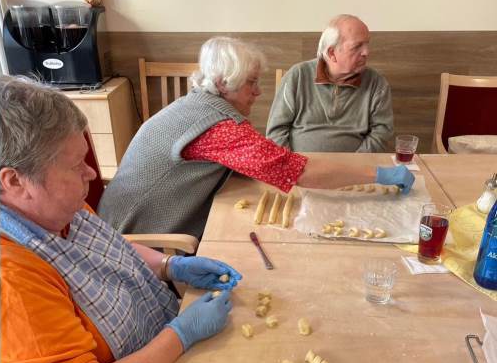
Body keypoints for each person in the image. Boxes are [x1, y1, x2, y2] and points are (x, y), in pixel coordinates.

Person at [0, 77, 240, 363]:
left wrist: (168, 265)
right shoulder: (15, 279)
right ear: (14, 181)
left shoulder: (53, 207)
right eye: (76, 166)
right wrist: (181, 334)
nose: (91, 176)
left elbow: (107, 247)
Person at [96, 37, 414, 239]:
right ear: (223, 83)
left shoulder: (200, 105)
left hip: (125, 223)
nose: (258, 92)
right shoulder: (217, 128)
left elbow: (273, 160)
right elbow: (300, 172)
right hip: (135, 238)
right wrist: (378, 174)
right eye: (251, 83)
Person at [266, 15, 392, 153]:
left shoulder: (376, 83)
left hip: (354, 169)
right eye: (357, 46)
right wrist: (291, 167)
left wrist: (355, 163)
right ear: (332, 52)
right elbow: (276, 131)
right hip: (299, 168)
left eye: (367, 44)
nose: (366, 52)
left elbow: (381, 132)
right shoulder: (298, 75)